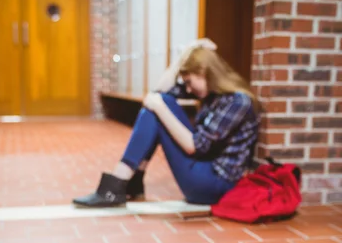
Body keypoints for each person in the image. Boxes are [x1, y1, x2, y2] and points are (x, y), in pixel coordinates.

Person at [73, 39, 260, 207]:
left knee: (159, 107)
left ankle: (121, 182)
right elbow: (160, 91)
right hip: (204, 170)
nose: (187, 89)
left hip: (213, 184)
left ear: (204, 72)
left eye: (189, 81)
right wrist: (184, 55)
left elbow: (195, 146)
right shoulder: (213, 95)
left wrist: (160, 107)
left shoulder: (237, 102)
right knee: (161, 102)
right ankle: (128, 182)